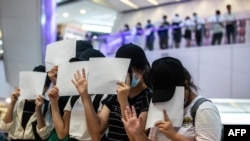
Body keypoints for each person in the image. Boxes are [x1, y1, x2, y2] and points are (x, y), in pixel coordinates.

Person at [122, 56, 223, 141]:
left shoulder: (204, 110)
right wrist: (138, 134)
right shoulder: (159, 105)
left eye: (170, 94)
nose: (166, 100)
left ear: (185, 84)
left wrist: (174, 136)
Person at [72, 43, 153, 141]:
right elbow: (96, 133)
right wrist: (85, 96)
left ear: (143, 70)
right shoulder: (114, 94)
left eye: (130, 72)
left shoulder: (149, 97)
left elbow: (135, 138)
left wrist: (123, 101)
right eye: (123, 71)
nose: (126, 76)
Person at [48, 48, 108, 141]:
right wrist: (54, 103)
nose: (79, 71)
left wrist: (85, 96)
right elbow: (62, 133)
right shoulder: (74, 97)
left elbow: (96, 135)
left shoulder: (105, 97)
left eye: (84, 66)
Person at [0, 65, 53, 141]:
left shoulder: (48, 106)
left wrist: (38, 110)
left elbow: (44, 135)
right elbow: (4, 127)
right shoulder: (19, 101)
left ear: (46, 88)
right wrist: (12, 103)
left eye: (39, 83)